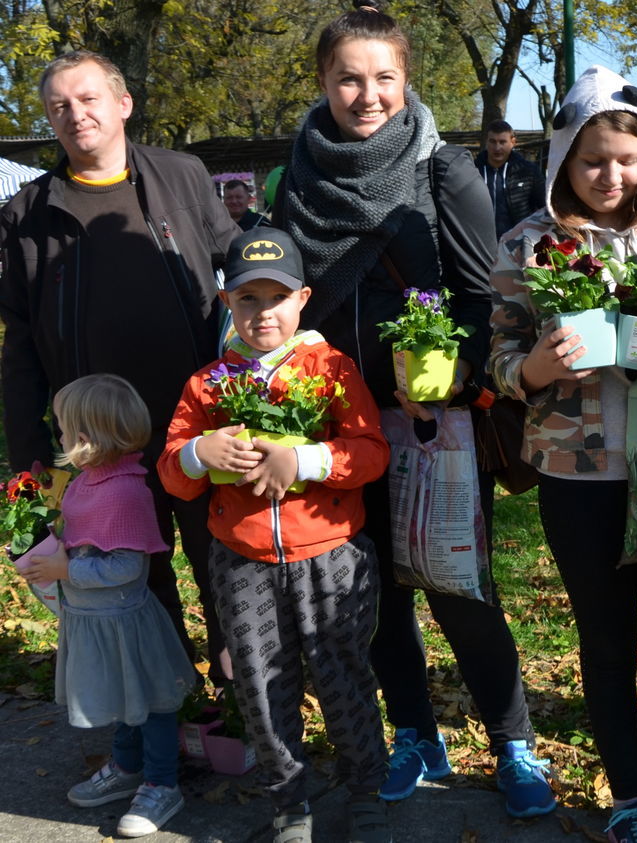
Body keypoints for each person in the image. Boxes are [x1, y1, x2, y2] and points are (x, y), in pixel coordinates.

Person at [273, 0, 555, 818]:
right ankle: (415, 732)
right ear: (323, 83)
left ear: (406, 81)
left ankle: (512, 742)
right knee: (375, 593)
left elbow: (484, 295)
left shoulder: (446, 171)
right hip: (338, 423)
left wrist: (448, 372)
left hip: (435, 419)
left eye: (383, 78)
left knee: (459, 587)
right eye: (348, 79)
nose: (367, 95)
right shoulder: (300, 176)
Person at [488, 64, 637, 843]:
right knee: (605, 635)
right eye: (593, 161)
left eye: (628, 159)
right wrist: (538, 369)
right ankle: (629, 795)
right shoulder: (528, 245)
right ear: (562, 159)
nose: (612, 176)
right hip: (575, 474)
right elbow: (498, 356)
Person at [0, 50, 238, 689]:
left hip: (196, 426)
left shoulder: (182, 176)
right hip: (99, 445)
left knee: (223, 569)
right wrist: (33, 457)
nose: (76, 115)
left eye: (88, 99)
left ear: (123, 104)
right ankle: (169, 713)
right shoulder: (26, 215)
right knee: (132, 582)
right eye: (59, 107)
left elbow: (239, 269)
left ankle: (241, 705)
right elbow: (19, 345)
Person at [159, 228, 392, 843]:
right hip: (243, 562)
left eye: (276, 297)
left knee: (343, 677)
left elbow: (371, 452)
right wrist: (196, 453)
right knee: (260, 687)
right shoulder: (207, 385)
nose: (262, 312)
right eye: (246, 299)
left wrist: (307, 461)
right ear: (226, 303)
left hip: (331, 556)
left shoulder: (330, 369)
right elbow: (173, 476)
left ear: (303, 299)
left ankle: (367, 788)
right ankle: (290, 803)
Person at [22, 374, 198, 839]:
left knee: (152, 705)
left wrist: (66, 572)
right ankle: (127, 764)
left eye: (61, 427)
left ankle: (162, 783)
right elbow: (80, 538)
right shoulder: (85, 483)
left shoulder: (125, 491)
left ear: (84, 437)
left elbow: (125, 568)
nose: (57, 434)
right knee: (122, 701)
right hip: (93, 622)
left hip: (123, 624)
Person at [474, 119, 545, 240]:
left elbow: (544, 207)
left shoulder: (528, 171)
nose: (497, 147)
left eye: (502, 142)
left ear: (513, 142)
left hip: (518, 243)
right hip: (479, 243)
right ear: (486, 142)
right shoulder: (472, 170)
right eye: (493, 141)